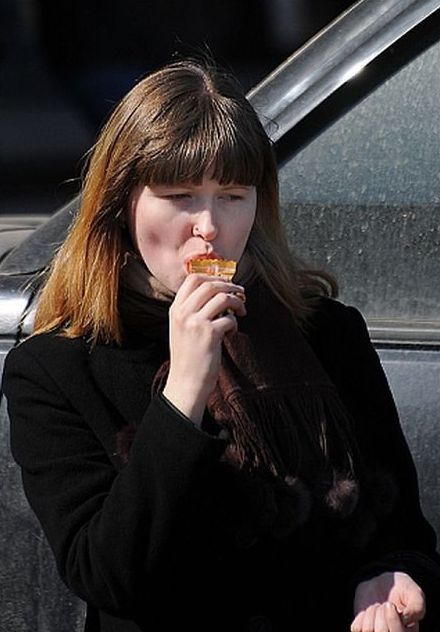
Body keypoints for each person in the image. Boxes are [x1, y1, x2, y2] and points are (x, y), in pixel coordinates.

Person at [2, 59, 440, 632]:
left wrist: (396, 577)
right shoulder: (57, 366)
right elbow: (108, 575)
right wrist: (185, 391)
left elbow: (403, 532)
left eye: (233, 195)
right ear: (121, 203)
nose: (208, 226)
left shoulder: (327, 334)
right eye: (181, 195)